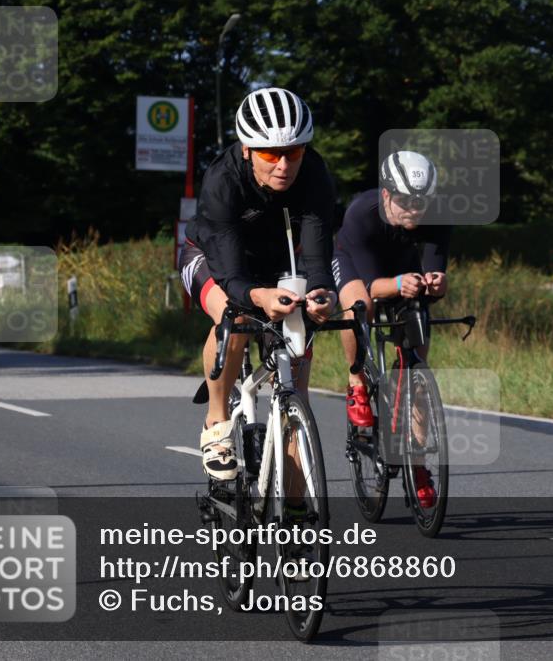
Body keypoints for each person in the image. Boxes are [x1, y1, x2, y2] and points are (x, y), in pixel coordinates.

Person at [178, 87, 337, 483]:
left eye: (294, 152)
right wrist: (260, 296)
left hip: (277, 265)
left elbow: (317, 258)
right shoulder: (223, 179)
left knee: (296, 388)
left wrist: (321, 293)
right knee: (235, 320)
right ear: (248, 149)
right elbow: (232, 276)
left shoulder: (315, 174)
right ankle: (216, 425)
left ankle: (298, 523)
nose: (283, 165)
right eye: (270, 154)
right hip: (213, 259)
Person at [331, 150, 449, 508]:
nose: (415, 208)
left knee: (416, 370)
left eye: (422, 201)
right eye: (405, 200)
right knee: (359, 308)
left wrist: (436, 282)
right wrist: (399, 282)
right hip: (357, 264)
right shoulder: (363, 214)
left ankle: (417, 466)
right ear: (386, 196)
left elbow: (436, 273)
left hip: (402, 269)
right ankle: (356, 382)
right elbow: (371, 287)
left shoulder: (439, 215)